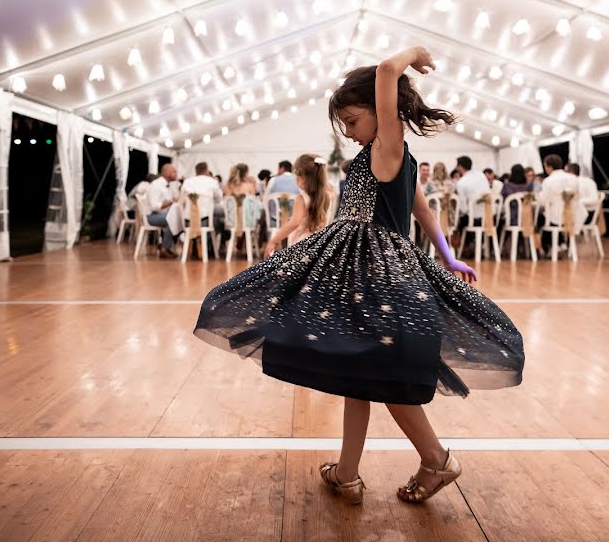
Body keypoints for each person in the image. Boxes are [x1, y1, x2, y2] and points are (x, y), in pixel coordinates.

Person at [193, 46, 524, 506]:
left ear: (378, 110)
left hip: (375, 270)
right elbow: (420, 205)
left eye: (352, 120)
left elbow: (388, 70)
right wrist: (447, 255)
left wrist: (414, 55)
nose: (348, 133)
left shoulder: (389, 146)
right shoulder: (395, 157)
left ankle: (434, 458)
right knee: (359, 369)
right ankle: (348, 472)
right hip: (366, 266)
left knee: (378, 371)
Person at [264, 153, 335, 253]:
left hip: (300, 246)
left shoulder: (302, 198)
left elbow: (294, 223)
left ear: (300, 176)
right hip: (321, 245)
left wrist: (273, 241)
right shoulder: (329, 195)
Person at [145, 163, 178, 258]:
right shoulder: (156, 185)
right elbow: (154, 206)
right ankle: (164, 248)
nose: (176, 174)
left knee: (176, 218)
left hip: (163, 215)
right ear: (167, 173)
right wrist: (171, 202)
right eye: (174, 172)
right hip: (152, 216)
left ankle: (165, 247)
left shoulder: (169, 185)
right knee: (173, 219)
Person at [454, 155, 490, 233]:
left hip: (474, 219)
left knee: (458, 219)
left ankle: (459, 244)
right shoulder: (481, 175)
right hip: (489, 215)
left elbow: (464, 209)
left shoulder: (461, 183)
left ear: (460, 166)